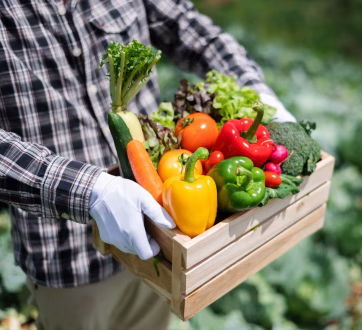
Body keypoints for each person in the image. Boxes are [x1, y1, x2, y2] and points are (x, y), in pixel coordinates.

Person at [0, 0, 296, 329]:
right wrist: (90, 191)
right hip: (68, 256)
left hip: (164, 239)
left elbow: (184, 24)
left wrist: (251, 84)